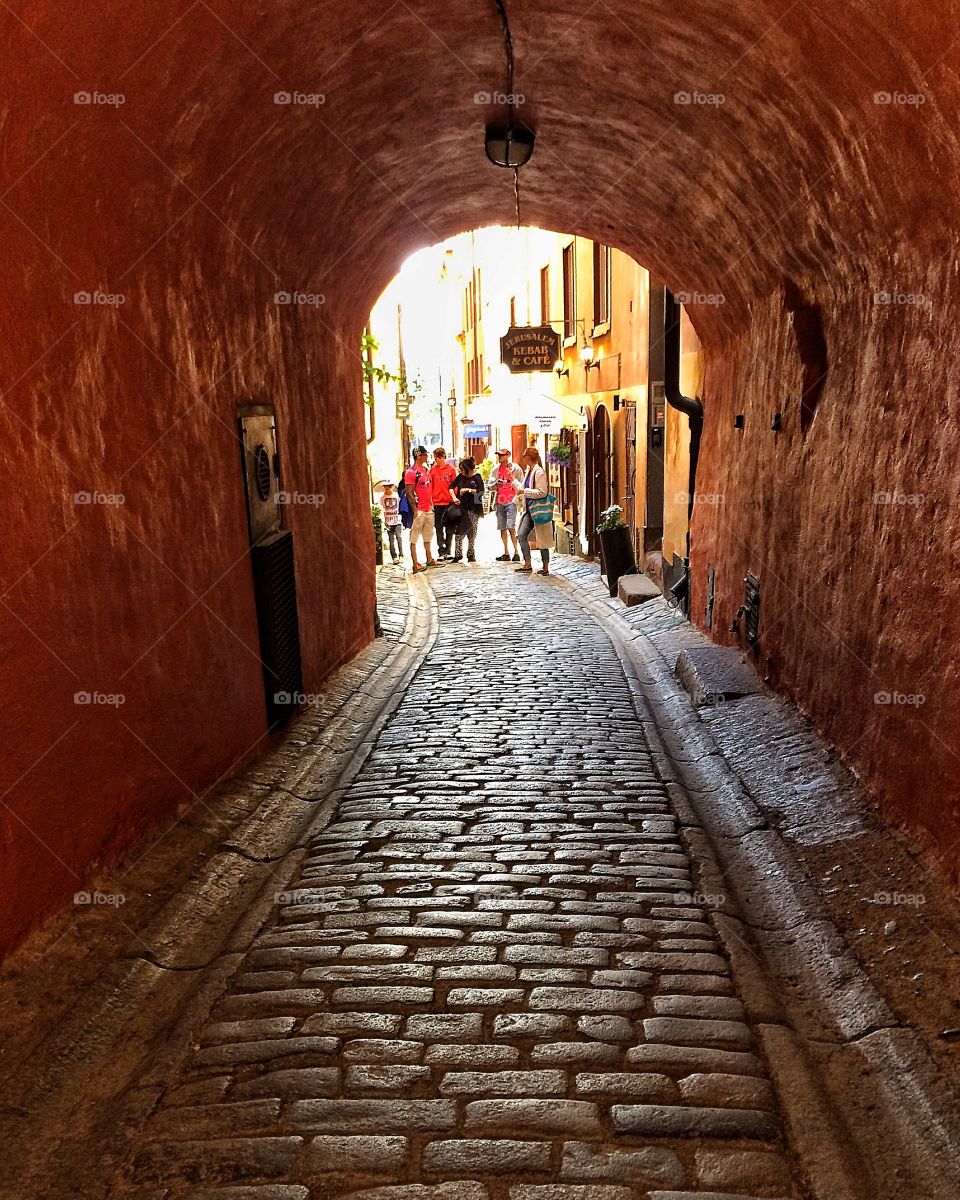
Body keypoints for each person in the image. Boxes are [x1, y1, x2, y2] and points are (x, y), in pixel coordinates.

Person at [514, 445, 554, 576]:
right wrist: (512, 480)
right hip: (529, 509)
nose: (523, 459)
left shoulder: (539, 472)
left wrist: (525, 491)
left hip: (538, 508)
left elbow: (542, 492)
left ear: (528, 457)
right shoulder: (529, 471)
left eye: (524, 456)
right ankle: (527, 563)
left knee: (542, 539)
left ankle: (545, 567)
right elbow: (523, 487)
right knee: (521, 535)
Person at [404, 446, 441, 572]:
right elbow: (409, 492)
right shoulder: (411, 472)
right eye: (425, 454)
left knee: (428, 535)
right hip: (419, 509)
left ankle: (429, 558)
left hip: (428, 508)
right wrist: (414, 509)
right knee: (414, 537)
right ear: (419, 456)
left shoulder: (425, 470)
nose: (427, 456)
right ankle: (415, 563)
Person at [489, 447, 523, 562]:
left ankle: (516, 551)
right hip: (500, 501)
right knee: (502, 528)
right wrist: (495, 485)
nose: (500, 457)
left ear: (508, 455)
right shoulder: (495, 470)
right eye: (499, 455)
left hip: (511, 501)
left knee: (511, 527)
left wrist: (519, 499)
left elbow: (521, 484)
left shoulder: (516, 469)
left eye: (502, 455)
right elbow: (489, 486)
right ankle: (506, 552)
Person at [449, 456, 485, 563]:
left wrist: (468, 490)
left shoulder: (477, 478)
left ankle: (471, 553)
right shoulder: (460, 477)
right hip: (462, 508)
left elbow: (481, 492)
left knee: (472, 532)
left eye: (463, 469)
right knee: (459, 531)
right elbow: (451, 487)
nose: (461, 471)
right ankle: (458, 554)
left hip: (474, 508)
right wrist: (454, 497)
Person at [429, 447, 458, 559]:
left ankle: (448, 550)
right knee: (438, 527)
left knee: (449, 527)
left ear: (443, 457)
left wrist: (454, 498)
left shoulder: (451, 470)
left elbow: (454, 485)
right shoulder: (433, 471)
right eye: (436, 458)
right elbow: (431, 486)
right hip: (437, 503)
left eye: (439, 458)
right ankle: (441, 550)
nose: (437, 460)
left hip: (449, 502)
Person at [379, 481, 402, 564]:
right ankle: (394, 556)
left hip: (397, 520)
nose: (387, 488)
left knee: (399, 538)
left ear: (392, 487)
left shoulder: (396, 495)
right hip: (388, 521)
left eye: (389, 486)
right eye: (386, 486)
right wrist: (384, 520)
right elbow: (381, 509)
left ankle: (401, 555)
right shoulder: (382, 498)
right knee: (391, 540)